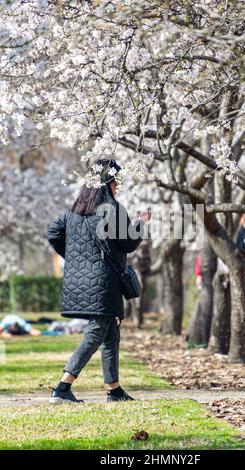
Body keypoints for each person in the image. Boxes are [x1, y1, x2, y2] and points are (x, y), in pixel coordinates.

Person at [47, 158, 151, 404]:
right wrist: (140, 223)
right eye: (116, 181)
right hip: (104, 283)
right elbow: (128, 243)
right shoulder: (112, 209)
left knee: (110, 334)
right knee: (95, 333)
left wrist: (74, 257)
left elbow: (53, 232)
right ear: (107, 182)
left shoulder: (73, 211)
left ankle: (114, 390)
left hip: (79, 281)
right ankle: (63, 387)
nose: (118, 186)